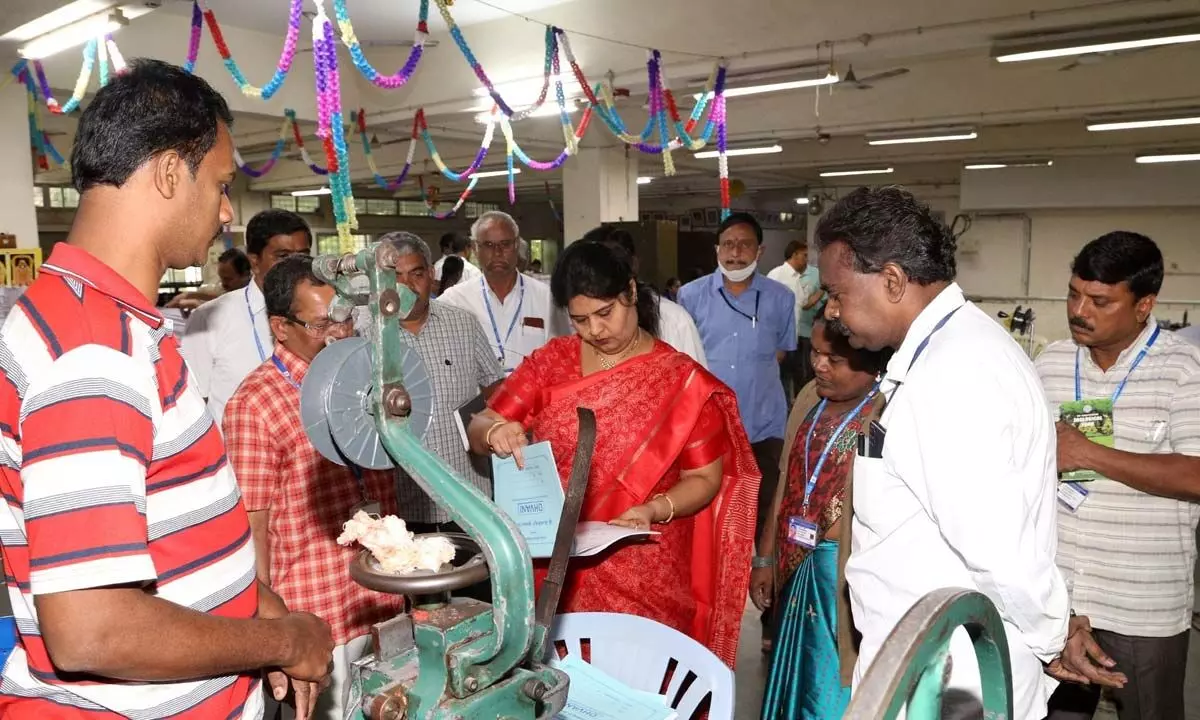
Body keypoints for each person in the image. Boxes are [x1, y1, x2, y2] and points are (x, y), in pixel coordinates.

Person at [0, 58, 332, 720]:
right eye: (220, 183)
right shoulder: (95, 350)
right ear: (170, 173)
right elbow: (92, 629)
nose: (227, 209)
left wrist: (251, 598)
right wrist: (281, 638)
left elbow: (155, 525)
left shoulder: (99, 317)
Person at [815, 186, 1068, 719]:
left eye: (837, 292)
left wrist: (1051, 639)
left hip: (956, 679)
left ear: (891, 280)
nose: (832, 310)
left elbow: (1000, 552)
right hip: (922, 662)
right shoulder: (940, 354)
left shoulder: (957, 373)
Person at [466, 240, 760, 667]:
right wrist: (495, 431)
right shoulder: (552, 363)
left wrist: (655, 509)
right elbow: (478, 424)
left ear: (632, 293)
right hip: (557, 567)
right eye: (580, 319)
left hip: (646, 568)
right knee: (559, 688)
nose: (595, 331)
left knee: (638, 690)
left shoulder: (680, 380)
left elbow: (704, 478)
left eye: (605, 313)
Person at [223, 255, 402, 720]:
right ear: (281, 328)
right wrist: (272, 636)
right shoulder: (256, 404)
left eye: (344, 320)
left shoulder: (362, 380)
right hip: (316, 617)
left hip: (379, 597)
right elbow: (251, 530)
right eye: (322, 325)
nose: (339, 335)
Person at [1036, 232, 1200, 720]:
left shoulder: (1185, 368)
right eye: (1073, 293)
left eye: (1100, 300)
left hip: (1142, 604)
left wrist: (1089, 453)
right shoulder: (1051, 363)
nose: (1079, 309)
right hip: (1059, 599)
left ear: (1144, 304)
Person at [752, 316, 887, 720]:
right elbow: (784, 481)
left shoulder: (887, 412)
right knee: (791, 674)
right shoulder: (810, 397)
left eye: (835, 359)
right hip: (794, 562)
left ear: (873, 362)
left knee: (832, 683)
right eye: (815, 352)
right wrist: (764, 558)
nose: (820, 366)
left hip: (841, 576)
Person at [676, 212, 795, 589]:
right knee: (712, 515)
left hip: (764, 426)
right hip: (709, 428)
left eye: (745, 245)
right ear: (717, 250)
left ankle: (765, 600)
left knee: (765, 516)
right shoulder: (690, 295)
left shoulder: (781, 298)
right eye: (728, 244)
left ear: (759, 250)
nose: (736, 253)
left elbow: (782, 352)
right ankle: (712, 594)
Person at [368, 232, 505, 532]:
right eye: (395, 277)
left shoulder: (464, 324)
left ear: (431, 274)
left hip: (471, 497)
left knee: (478, 578)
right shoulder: (366, 335)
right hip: (403, 507)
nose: (405, 286)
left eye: (416, 274)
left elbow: (496, 388)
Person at [182, 209, 312, 424]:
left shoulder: (321, 316)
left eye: (304, 255)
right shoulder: (210, 319)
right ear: (254, 260)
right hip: (238, 453)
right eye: (283, 256)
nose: (295, 266)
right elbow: (193, 403)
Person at [439, 211, 567, 374]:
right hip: (477, 397)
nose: (497, 253)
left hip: (535, 396)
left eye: (505, 244)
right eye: (489, 245)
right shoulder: (454, 301)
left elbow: (564, 354)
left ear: (516, 246)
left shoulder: (548, 298)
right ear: (475, 248)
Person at [581, 224, 707, 368]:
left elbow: (697, 385)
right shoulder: (577, 317)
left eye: (605, 312)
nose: (595, 329)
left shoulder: (673, 320)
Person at [767, 239, 823, 399]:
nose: (806, 260)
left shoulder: (796, 279)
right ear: (795, 254)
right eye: (804, 256)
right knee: (780, 379)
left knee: (796, 374)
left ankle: (795, 409)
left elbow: (804, 303)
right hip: (778, 339)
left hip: (794, 337)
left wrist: (821, 290)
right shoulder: (776, 275)